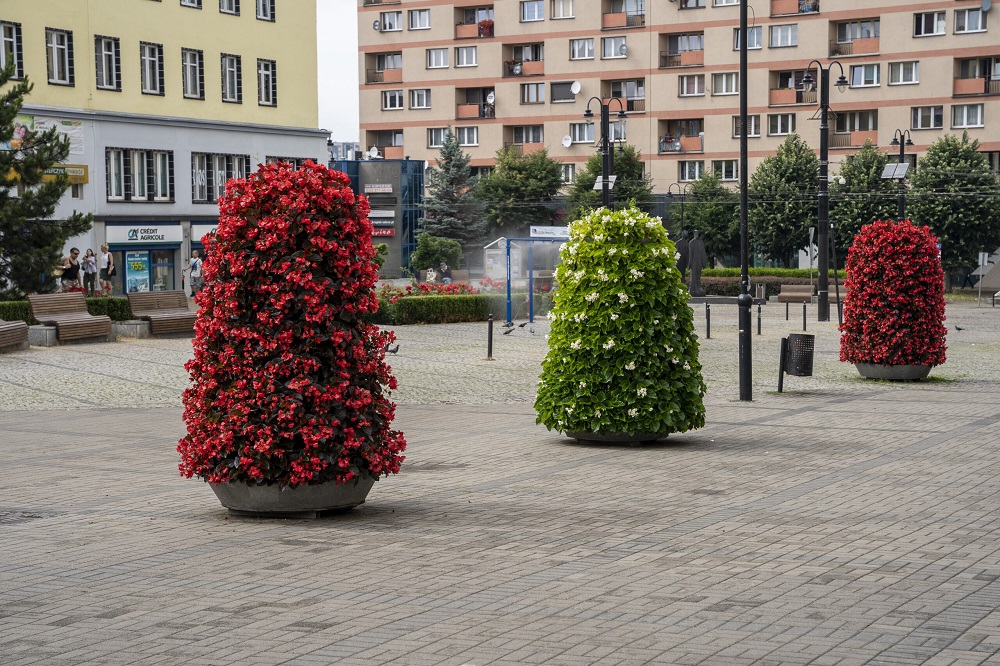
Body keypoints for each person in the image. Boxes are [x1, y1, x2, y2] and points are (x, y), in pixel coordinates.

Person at [687, 230, 708, 298]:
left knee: (697, 276)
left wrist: (704, 262)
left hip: (697, 262)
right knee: (694, 276)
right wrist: (690, 264)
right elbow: (690, 255)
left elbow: (703, 253)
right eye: (695, 233)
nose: (696, 234)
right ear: (694, 234)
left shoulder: (697, 242)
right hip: (695, 262)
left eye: (697, 233)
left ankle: (696, 289)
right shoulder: (691, 242)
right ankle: (692, 290)